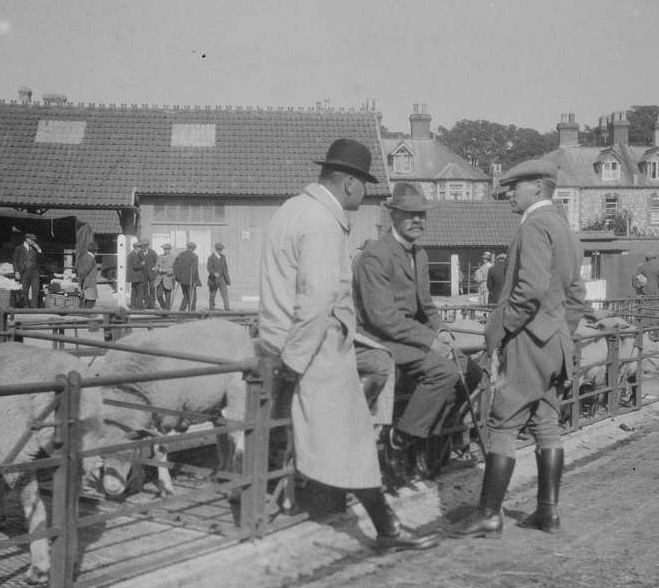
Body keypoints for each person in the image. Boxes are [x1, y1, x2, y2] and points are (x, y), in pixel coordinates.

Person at [258, 137, 438, 552]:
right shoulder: (323, 222)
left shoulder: (293, 209)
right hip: (312, 345)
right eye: (365, 185)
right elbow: (318, 299)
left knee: (325, 435)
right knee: (354, 439)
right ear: (351, 183)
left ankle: (361, 517)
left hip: (285, 338)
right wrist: (297, 361)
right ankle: (386, 529)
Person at [452, 158, 588, 539]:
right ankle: (548, 512)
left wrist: (496, 331)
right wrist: (559, 330)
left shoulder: (534, 226)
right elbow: (576, 294)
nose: (509, 191)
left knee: (503, 422)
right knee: (546, 422)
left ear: (538, 188)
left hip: (528, 339)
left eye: (516, 185)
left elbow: (527, 293)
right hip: (554, 340)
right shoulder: (565, 228)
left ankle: (489, 514)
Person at [352, 181, 483, 482]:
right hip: (377, 340)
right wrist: (430, 340)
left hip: (407, 336)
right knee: (444, 372)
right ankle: (400, 441)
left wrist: (442, 331)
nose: (418, 220)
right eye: (410, 214)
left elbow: (426, 305)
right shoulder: (376, 256)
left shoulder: (419, 255)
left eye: (422, 215)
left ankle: (429, 436)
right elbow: (382, 318)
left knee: (471, 372)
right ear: (393, 216)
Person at [12, 232, 42, 308]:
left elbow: (42, 259)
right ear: (26, 239)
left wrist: (38, 249)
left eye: (34, 240)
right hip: (24, 271)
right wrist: (16, 272)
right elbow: (15, 261)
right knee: (25, 290)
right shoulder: (19, 248)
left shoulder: (35, 248)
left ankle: (34, 306)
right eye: (32, 240)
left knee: (36, 290)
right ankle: (26, 306)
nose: (33, 242)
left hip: (35, 271)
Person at [173, 241, 202, 311]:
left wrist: (178, 277)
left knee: (186, 296)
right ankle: (191, 312)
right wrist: (195, 281)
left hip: (182, 280)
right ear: (194, 248)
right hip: (190, 281)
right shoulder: (194, 256)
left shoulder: (181, 255)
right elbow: (194, 270)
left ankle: (181, 310)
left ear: (187, 247)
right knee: (192, 298)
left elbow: (175, 266)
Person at [126, 239, 149, 310]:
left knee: (134, 291)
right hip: (137, 277)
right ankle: (140, 306)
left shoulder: (131, 254)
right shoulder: (135, 255)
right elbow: (135, 266)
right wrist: (142, 264)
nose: (141, 249)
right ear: (136, 248)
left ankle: (133, 305)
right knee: (140, 292)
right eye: (140, 247)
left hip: (134, 277)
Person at [207, 243, 231, 311]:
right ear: (216, 249)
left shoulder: (223, 257)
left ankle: (227, 307)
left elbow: (225, 267)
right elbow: (209, 268)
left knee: (225, 293)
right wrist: (214, 273)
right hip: (213, 279)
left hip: (222, 278)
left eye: (221, 250)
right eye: (219, 250)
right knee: (212, 294)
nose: (220, 251)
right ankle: (212, 307)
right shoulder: (211, 258)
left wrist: (226, 276)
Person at [76, 242, 100, 309]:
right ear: (95, 251)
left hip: (87, 281)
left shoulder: (86, 257)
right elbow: (84, 271)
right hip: (89, 281)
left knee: (88, 298)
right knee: (92, 299)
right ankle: (87, 314)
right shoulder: (91, 259)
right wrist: (81, 279)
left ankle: (84, 312)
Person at [154, 243, 176, 310]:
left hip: (168, 279)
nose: (165, 250)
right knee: (158, 295)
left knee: (168, 298)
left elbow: (174, 269)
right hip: (160, 279)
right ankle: (164, 307)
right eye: (164, 249)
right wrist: (157, 269)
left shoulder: (173, 258)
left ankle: (167, 311)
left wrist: (165, 270)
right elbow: (156, 265)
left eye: (166, 249)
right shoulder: (160, 256)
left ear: (169, 249)